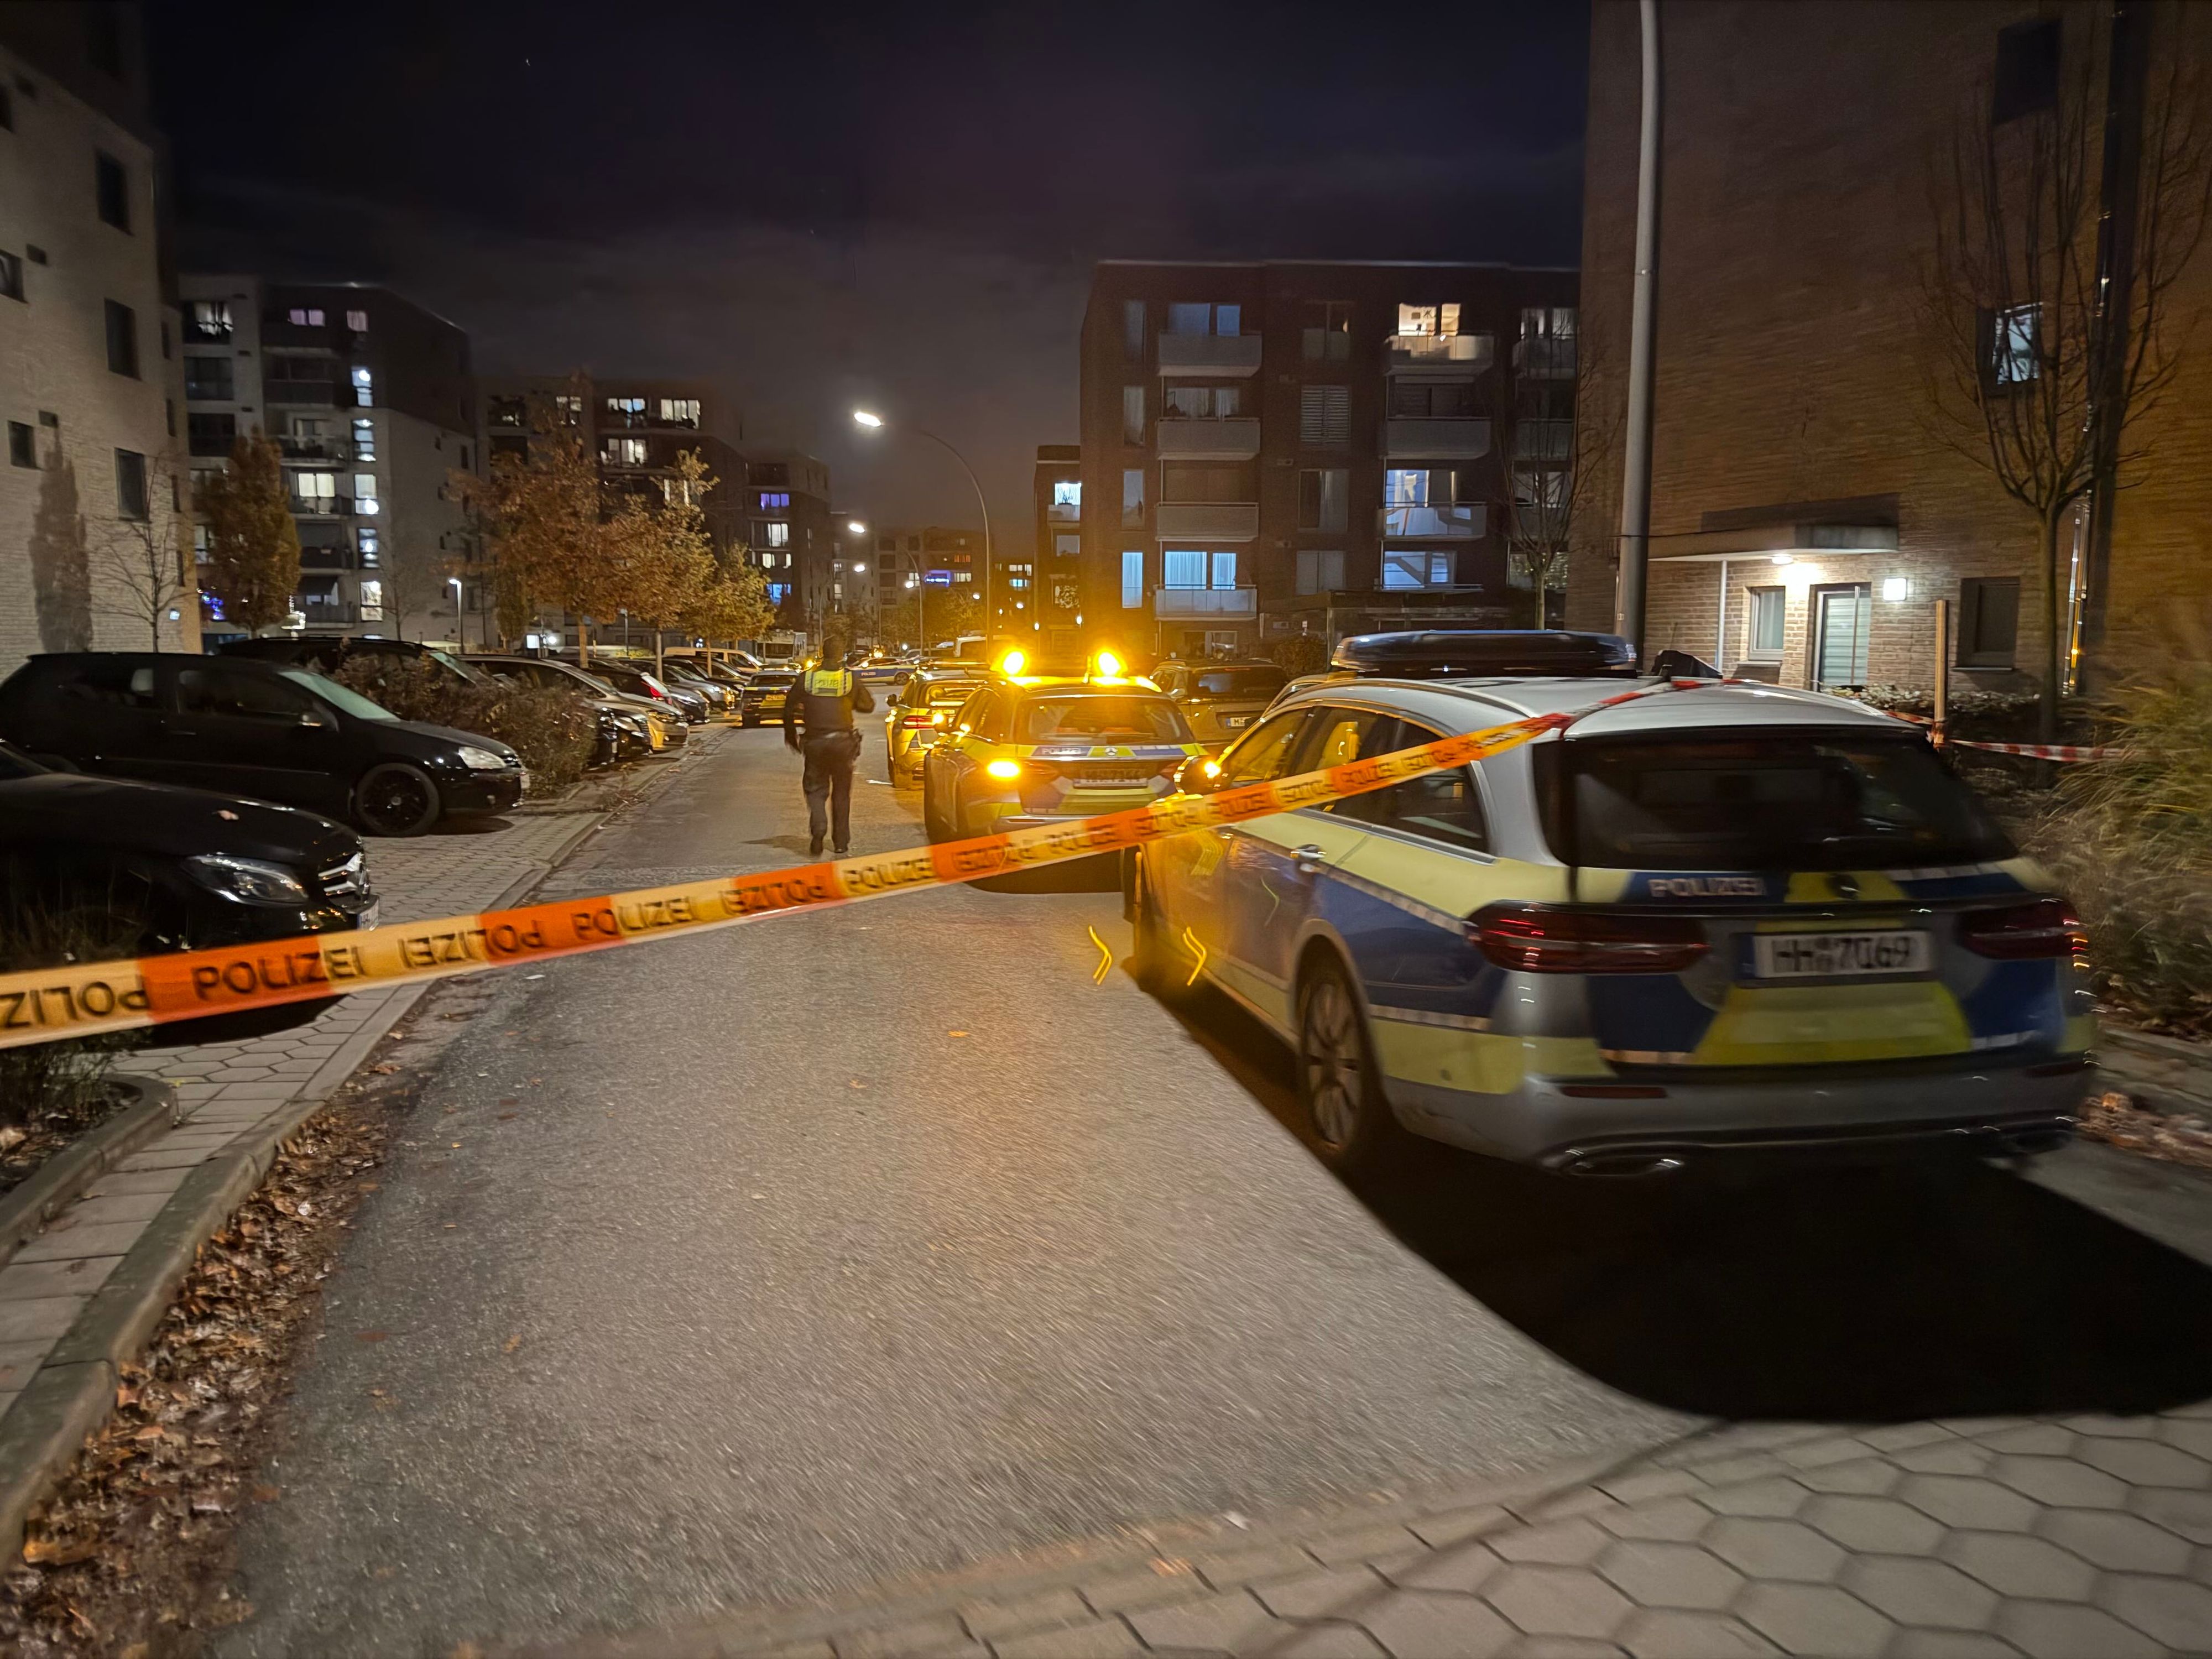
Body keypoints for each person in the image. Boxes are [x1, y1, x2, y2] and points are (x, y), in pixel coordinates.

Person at [782, 649, 874, 857]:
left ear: (823, 655)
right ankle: (841, 842)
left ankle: (819, 829)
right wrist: (849, 701)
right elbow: (868, 706)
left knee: (815, 789)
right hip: (843, 744)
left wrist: (791, 736)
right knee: (842, 793)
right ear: (841, 656)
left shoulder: (808, 678)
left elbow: (788, 708)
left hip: (815, 743)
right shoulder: (849, 678)